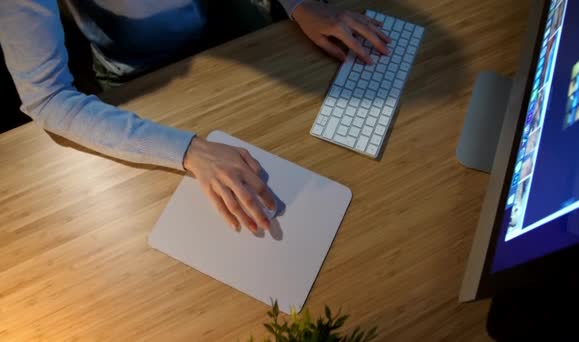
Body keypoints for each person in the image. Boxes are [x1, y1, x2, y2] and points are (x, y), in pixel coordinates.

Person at [0, 0, 390, 233]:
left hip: (222, 21)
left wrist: (300, 4)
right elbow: (48, 98)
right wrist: (188, 150)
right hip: (137, 69)